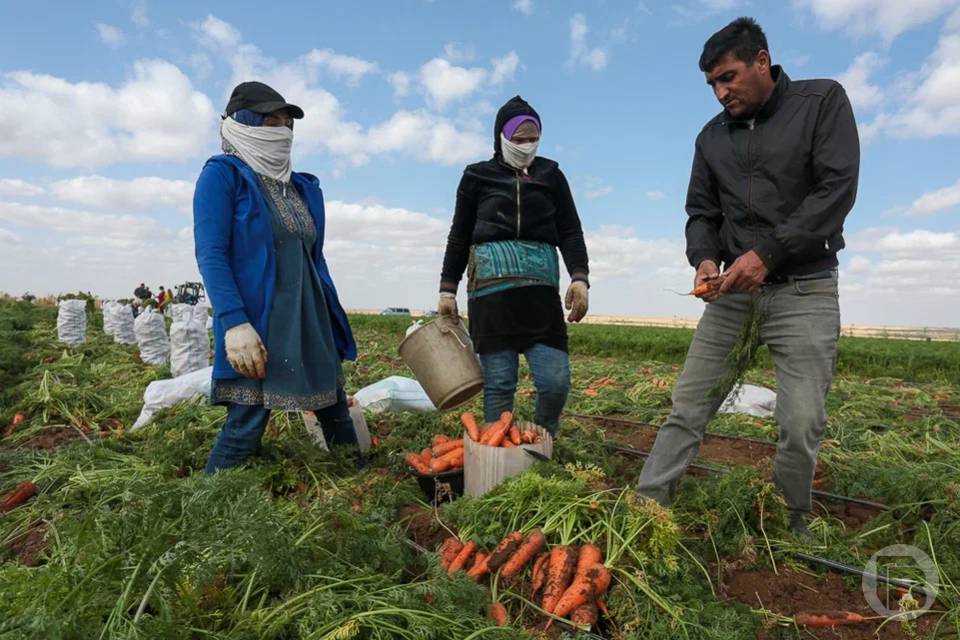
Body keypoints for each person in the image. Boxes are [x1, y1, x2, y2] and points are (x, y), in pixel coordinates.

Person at [635, 17, 859, 535]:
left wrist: (767, 254)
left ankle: (786, 528)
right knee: (688, 406)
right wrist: (705, 259)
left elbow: (836, 190)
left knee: (801, 422)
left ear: (762, 61)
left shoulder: (821, 102)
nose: (720, 92)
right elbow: (701, 212)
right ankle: (645, 514)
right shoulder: (711, 139)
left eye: (728, 77)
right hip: (733, 294)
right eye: (712, 83)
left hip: (805, 287)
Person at [193, 80, 360, 473]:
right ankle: (207, 505)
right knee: (246, 422)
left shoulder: (300, 187)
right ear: (244, 124)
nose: (282, 131)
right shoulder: (222, 176)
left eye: (288, 123)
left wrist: (330, 317)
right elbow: (211, 254)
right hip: (261, 322)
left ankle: (362, 486)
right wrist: (234, 322)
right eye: (271, 121)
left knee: (334, 410)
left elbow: (312, 258)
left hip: (309, 318)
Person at [438, 95, 590, 436]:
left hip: (540, 301)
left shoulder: (551, 174)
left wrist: (580, 278)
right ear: (501, 137)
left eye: (532, 139)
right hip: (492, 302)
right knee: (499, 385)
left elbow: (570, 230)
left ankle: (542, 439)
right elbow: (459, 235)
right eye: (518, 139)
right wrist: (447, 289)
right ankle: (499, 453)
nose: (526, 145)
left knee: (555, 382)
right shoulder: (478, 176)